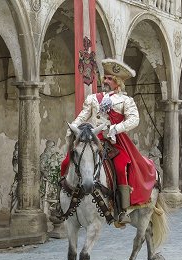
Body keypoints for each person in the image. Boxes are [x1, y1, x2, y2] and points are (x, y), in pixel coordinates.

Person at [61, 58, 157, 224]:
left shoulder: (126, 101)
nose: (105, 81)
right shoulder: (93, 98)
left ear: (118, 82)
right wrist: (73, 128)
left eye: (110, 79)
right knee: (67, 161)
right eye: (105, 78)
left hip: (115, 141)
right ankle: (62, 202)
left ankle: (123, 209)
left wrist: (115, 128)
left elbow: (134, 120)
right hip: (93, 139)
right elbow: (83, 116)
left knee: (121, 167)